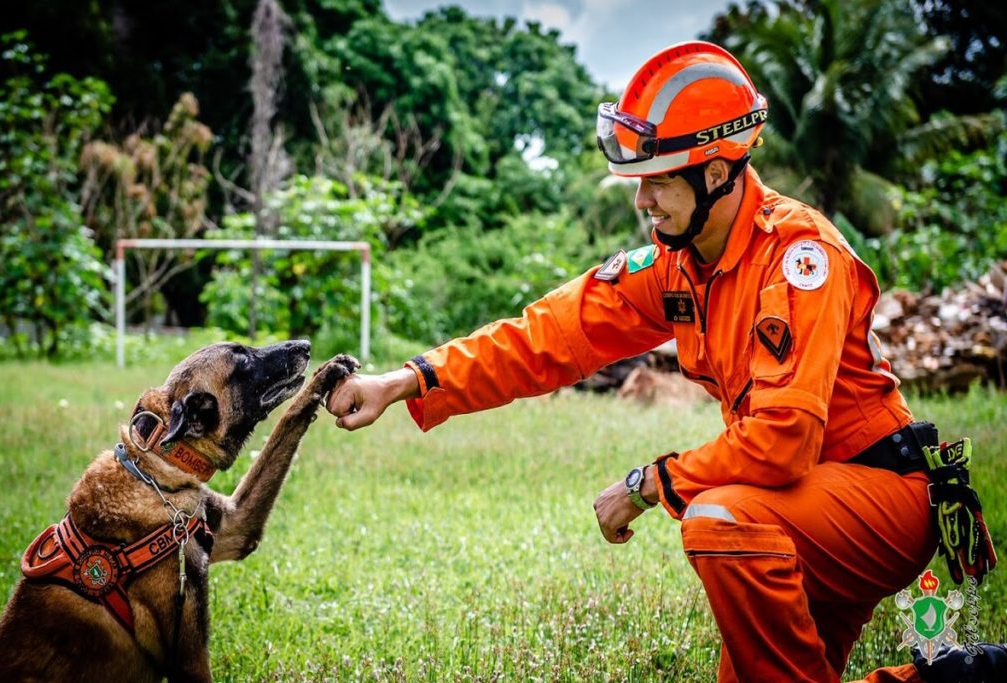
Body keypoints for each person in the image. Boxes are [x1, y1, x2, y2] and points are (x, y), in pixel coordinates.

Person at [325, 41, 1002, 682]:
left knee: (718, 518)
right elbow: (548, 335)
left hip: (877, 497)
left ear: (716, 172)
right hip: (800, 502)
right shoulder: (677, 265)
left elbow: (783, 440)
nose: (641, 200)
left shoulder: (800, 258)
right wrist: (405, 379)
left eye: (655, 182)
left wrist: (647, 483)